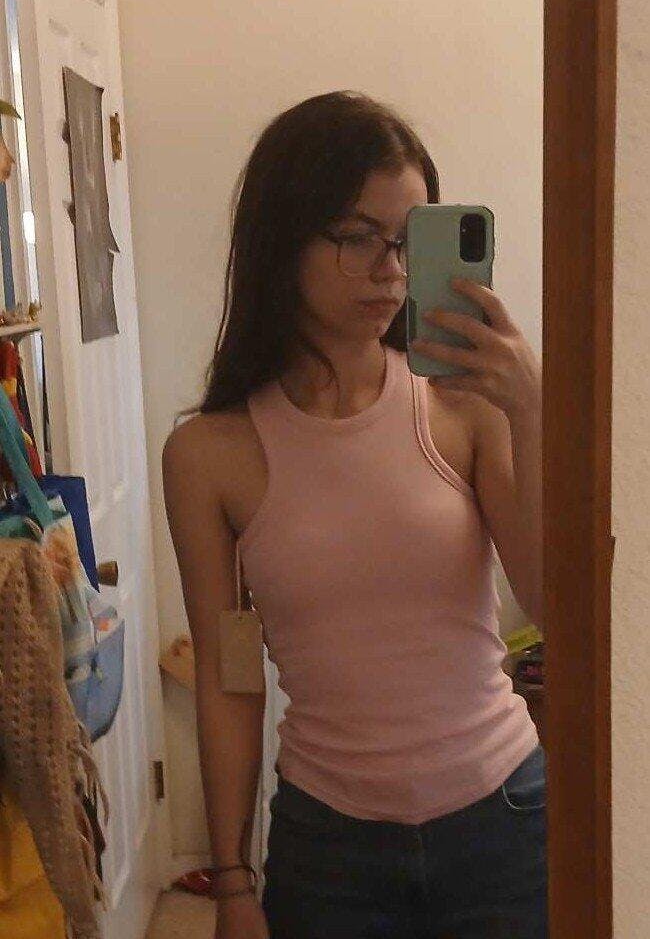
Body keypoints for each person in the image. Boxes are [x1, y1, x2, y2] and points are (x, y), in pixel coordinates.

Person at [162, 90, 546, 939]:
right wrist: (232, 881)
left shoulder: (463, 406)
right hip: (329, 849)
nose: (391, 269)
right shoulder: (210, 455)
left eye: (408, 239)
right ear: (283, 237)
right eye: (357, 236)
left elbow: (554, 602)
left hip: (502, 820)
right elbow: (229, 679)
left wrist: (532, 408)